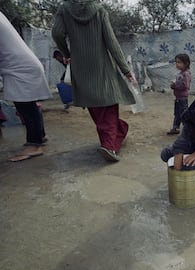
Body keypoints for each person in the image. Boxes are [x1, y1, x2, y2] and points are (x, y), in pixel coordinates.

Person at [52, 0, 137, 162]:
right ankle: (110, 146)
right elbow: (112, 43)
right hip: (103, 69)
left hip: (81, 69)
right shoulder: (99, 11)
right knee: (108, 107)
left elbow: (56, 33)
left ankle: (115, 136)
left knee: (97, 109)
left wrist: (67, 53)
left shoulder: (64, 9)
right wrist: (126, 70)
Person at [0, 11, 51, 162]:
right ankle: (40, 136)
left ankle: (34, 145)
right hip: (24, 65)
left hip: (20, 69)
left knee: (25, 107)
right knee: (29, 105)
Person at [167, 53, 191, 135]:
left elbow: (185, 86)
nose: (177, 64)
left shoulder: (186, 74)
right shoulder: (180, 73)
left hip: (183, 99)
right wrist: (174, 86)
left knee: (184, 114)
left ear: (186, 63)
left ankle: (187, 129)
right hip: (178, 98)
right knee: (177, 114)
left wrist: (175, 86)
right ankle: (175, 128)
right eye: (176, 62)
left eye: (179, 62)